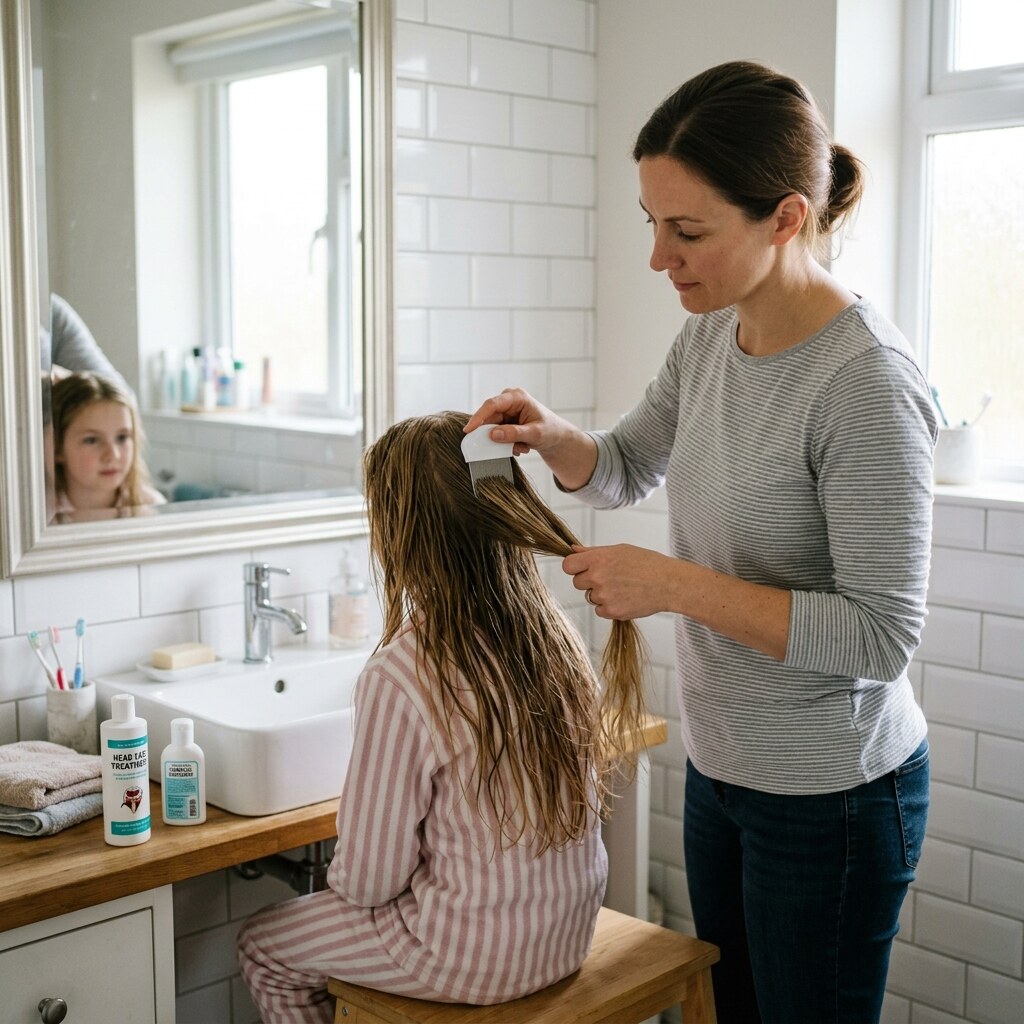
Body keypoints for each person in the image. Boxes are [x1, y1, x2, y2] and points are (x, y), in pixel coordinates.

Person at [464, 60, 936, 1024]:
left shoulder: (868, 386)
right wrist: (559, 438)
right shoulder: (711, 336)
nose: (659, 258)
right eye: (653, 223)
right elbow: (629, 463)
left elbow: (880, 638)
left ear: (787, 218)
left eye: (687, 231)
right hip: (725, 774)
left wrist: (673, 585)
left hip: (832, 801)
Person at [237, 411, 648, 1022]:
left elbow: (369, 883)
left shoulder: (402, 673)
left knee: (264, 946)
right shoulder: (555, 635)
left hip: (469, 957)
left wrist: (359, 879)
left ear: (396, 536)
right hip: (564, 938)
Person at [51, 371, 165, 515]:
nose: (113, 455)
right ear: (57, 448)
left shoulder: (151, 507)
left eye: (122, 438)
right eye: (92, 440)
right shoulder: (39, 516)